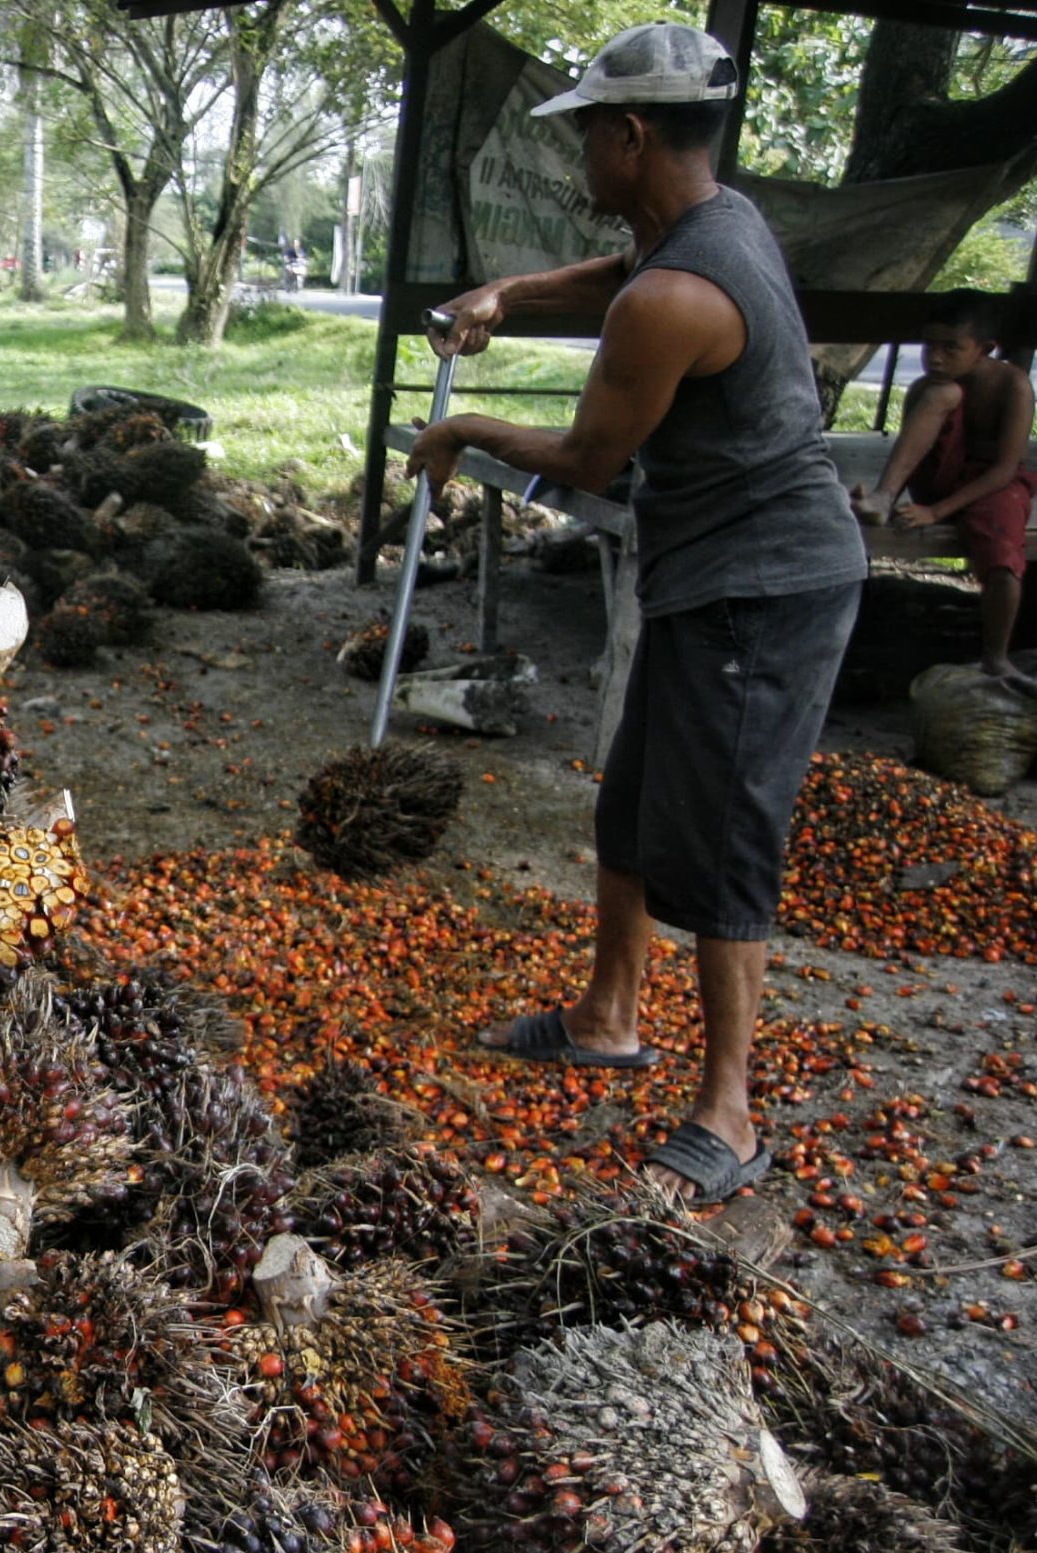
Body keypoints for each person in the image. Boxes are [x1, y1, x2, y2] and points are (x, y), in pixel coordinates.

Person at [405, 23, 867, 1203]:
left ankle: (729, 1111)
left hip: (766, 584)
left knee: (720, 834)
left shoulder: (676, 293)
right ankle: (609, 1015)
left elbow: (589, 459)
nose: (576, 164)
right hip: (706, 571)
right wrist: (501, 296)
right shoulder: (714, 224)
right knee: (633, 794)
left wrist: (462, 429)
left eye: (583, 140)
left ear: (627, 135)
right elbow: (607, 278)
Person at [853, 288, 1037, 695]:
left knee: (1002, 550)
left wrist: (937, 513)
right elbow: (910, 454)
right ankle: (882, 499)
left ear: (985, 349)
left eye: (951, 347)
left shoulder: (1013, 385)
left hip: (993, 485)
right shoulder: (931, 386)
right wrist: (893, 494)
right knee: (943, 393)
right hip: (941, 480)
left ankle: (996, 656)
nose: (935, 357)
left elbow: (1004, 470)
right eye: (929, 345)